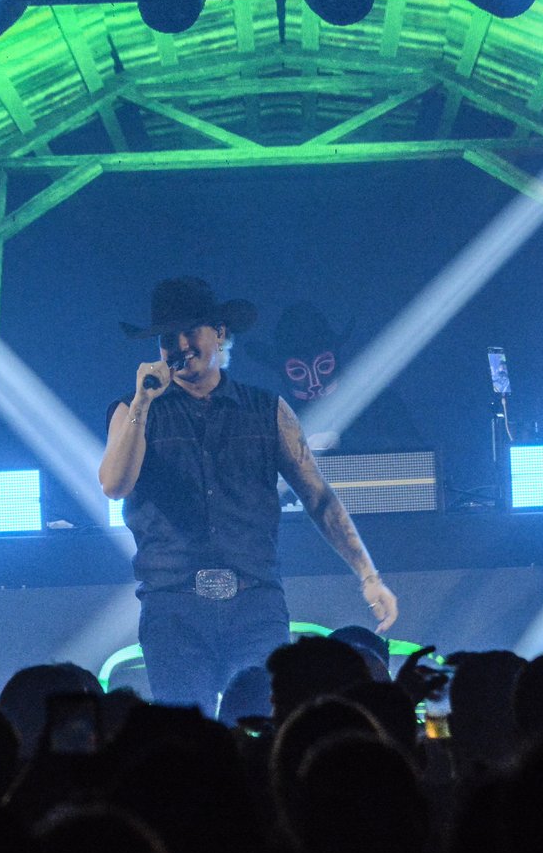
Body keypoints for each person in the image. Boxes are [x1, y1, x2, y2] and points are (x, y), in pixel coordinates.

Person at [99, 277, 399, 709]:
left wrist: (369, 577)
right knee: (187, 733)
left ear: (219, 333)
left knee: (261, 722)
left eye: (191, 331)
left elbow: (318, 498)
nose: (180, 346)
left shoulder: (267, 410)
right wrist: (143, 405)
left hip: (254, 603)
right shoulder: (132, 410)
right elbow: (114, 485)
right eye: (168, 338)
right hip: (174, 607)